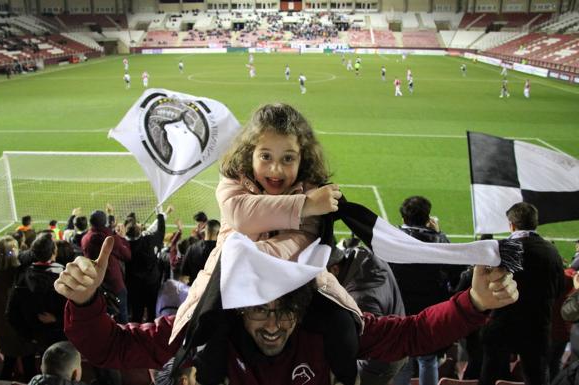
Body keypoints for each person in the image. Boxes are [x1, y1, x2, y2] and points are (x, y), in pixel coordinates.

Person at [54, 235, 519, 385]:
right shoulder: (206, 330)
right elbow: (110, 346)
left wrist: (474, 303)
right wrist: (85, 302)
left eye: (285, 312)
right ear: (238, 309)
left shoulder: (330, 326)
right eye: (261, 312)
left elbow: (413, 334)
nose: (274, 326)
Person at [169, 103, 362, 385]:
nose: (275, 169)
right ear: (250, 154)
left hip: (296, 286)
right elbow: (241, 214)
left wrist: (253, 258)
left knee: (342, 326)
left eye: (288, 159)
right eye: (266, 156)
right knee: (209, 336)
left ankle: (345, 379)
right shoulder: (233, 181)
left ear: (303, 159)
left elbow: (301, 242)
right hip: (231, 284)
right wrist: (306, 205)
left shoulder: (312, 187)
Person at [479, 202, 565, 385]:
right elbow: (558, 290)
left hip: (502, 324)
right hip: (537, 326)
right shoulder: (552, 252)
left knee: (489, 374)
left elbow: (483, 290)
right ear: (535, 223)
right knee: (537, 378)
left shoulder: (500, 249)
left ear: (511, 225)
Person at [391, 196, 464, 385]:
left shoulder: (392, 240)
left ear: (403, 218)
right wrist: (440, 234)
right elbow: (458, 269)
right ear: (427, 218)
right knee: (428, 360)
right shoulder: (438, 242)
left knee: (402, 360)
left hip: (400, 311)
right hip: (429, 313)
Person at [328, 240, 407, 385]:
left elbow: (362, 343)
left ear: (334, 269)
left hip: (380, 362)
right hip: (397, 346)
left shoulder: (360, 299)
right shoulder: (366, 256)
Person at [0, 236, 37, 380]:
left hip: (1, 331)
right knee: (29, 366)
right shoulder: (15, 277)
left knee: (9, 362)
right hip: (20, 332)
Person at [6, 233, 67, 356]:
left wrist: (29, 336)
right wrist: (58, 320)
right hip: (61, 336)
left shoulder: (22, 279)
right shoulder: (64, 278)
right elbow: (77, 313)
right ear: (54, 252)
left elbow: (11, 314)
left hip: (38, 338)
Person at [81, 210, 131, 323]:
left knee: (103, 316)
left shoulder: (85, 238)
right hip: (114, 284)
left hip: (97, 284)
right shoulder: (110, 239)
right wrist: (122, 238)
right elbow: (127, 255)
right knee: (122, 314)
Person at [124, 210, 166, 322]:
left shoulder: (123, 244)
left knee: (137, 313)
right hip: (151, 283)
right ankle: (150, 333)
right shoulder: (149, 240)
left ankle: (135, 334)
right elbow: (161, 232)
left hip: (134, 286)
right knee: (152, 312)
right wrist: (160, 215)